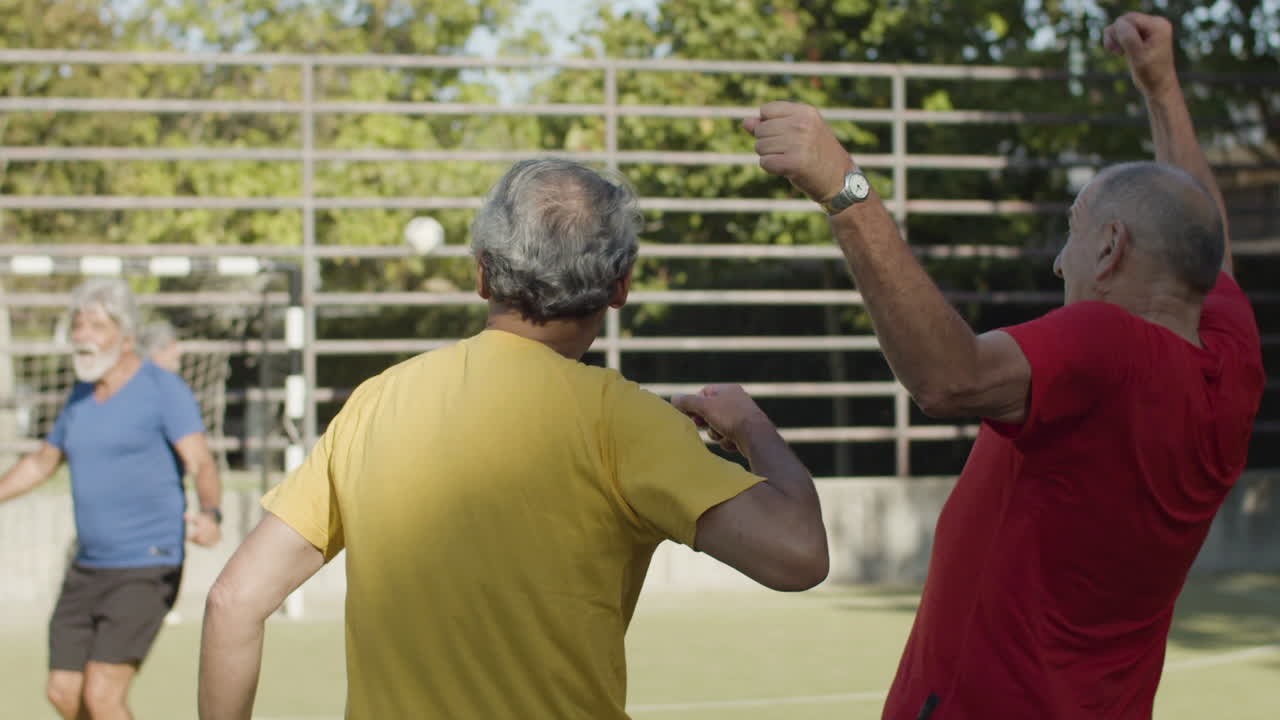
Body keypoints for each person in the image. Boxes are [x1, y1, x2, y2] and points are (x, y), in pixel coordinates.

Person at [744, 11, 1263, 720]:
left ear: (1110, 247)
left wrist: (845, 189)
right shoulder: (1231, 359)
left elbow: (949, 379)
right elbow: (1205, 235)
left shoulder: (1110, 346)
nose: (1059, 262)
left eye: (1073, 233)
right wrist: (1160, 86)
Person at [198, 159, 829, 720]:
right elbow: (799, 557)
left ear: (483, 274)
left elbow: (232, 601)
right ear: (621, 285)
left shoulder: (375, 402)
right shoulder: (626, 421)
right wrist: (751, 428)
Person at [0, 277, 223, 720]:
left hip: (147, 563)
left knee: (102, 695)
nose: (82, 335)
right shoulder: (80, 396)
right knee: (63, 691)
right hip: (88, 567)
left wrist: (211, 513)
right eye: (78, 325)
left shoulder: (162, 389)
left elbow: (201, 462)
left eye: (96, 326)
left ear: (126, 338)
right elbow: (42, 463)